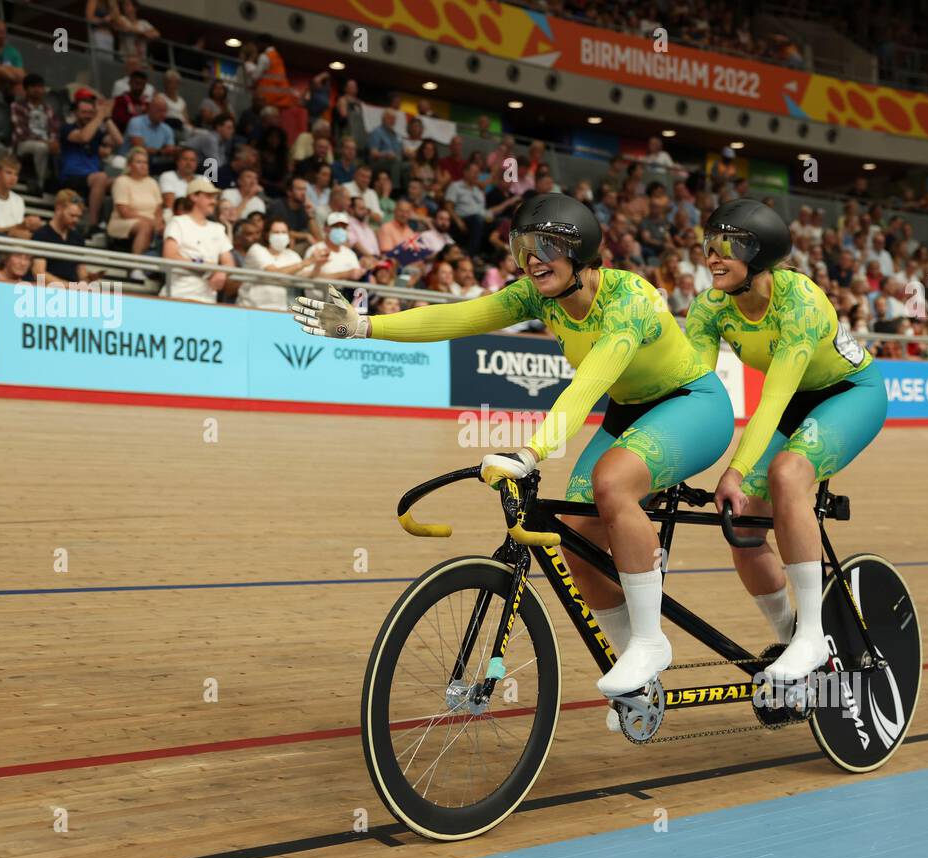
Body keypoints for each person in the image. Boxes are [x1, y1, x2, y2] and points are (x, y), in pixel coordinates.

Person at [293, 194, 735, 710]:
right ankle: (636, 676)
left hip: (694, 406)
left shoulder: (628, 300)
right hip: (631, 412)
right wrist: (367, 327)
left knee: (612, 484)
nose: (530, 259)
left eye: (544, 246)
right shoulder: (538, 295)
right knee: (575, 540)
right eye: (521, 247)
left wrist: (531, 452)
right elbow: (462, 317)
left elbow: (588, 383)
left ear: (581, 251)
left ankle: (650, 641)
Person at [683, 200, 887, 689]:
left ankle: (815, 634)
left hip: (849, 394)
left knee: (788, 473)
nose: (712, 257)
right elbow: (689, 385)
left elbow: (772, 399)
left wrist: (734, 469)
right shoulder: (711, 306)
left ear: (758, 257)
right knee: (744, 526)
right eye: (708, 245)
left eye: (726, 248)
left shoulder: (800, 303)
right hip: (796, 399)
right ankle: (795, 640)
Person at [161, 176, 235, 304]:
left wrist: (222, 272)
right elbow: (170, 255)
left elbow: (229, 263)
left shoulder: (218, 228)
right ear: (194, 196)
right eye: (208, 196)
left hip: (208, 300)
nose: (213, 201)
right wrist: (206, 266)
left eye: (214, 197)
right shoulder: (178, 222)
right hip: (177, 295)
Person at [60, 93, 122, 229]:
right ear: (75, 112)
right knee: (101, 177)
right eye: (84, 112)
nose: (87, 115)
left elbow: (118, 141)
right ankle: (93, 224)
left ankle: (113, 225)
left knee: (122, 181)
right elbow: (84, 137)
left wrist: (106, 117)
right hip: (71, 177)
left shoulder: (97, 131)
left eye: (90, 112)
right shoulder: (67, 128)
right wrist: (99, 116)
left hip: (93, 179)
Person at [239, 219, 325, 310]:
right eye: (276, 232)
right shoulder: (256, 249)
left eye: (284, 232)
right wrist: (306, 262)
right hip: (251, 307)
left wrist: (318, 264)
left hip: (279, 309)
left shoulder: (292, 255)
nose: (280, 235)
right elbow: (273, 273)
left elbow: (306, 275)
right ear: (267, 235)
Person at [108, 146, 162, 273]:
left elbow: (159, 207)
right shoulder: (122, 181)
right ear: (129, 165)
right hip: (123, 221)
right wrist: (151, 221)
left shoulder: (151, 182)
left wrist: (159, 221)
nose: (143, 166)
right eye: (139, 162)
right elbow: (124, 211)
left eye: (145, 162)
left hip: (150, 220)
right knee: (145, 226)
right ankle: (136, 267)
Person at [32, 190, 93, 285]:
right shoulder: (42, 234)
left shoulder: (78, 238)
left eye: (78, 217)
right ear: (58, 209)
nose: (75, 220)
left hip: (72, 291)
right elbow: (38, 273)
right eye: (72, 215)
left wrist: (88, 279)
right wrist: (68, 286)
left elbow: (81, 271)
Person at [0, 153, 41, 239]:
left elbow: (18, 231)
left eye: (16, 174)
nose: (13, 178)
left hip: (14, 244)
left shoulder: (19, 200)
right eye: (9, 173)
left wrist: (28, 225)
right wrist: (18, 228)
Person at [11, 74, 59, 192]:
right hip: (23, 144)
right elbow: (21, 132)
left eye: (40, 87)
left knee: (61, 148)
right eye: (34, 87)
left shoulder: (48, 109)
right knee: (41, 147)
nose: (38, 90)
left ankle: (57, 184)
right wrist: (46, 142)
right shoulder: (17, 106)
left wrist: (53, 142)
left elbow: (54, 129)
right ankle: (41, 184)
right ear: (26, 89)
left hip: (46, 143)